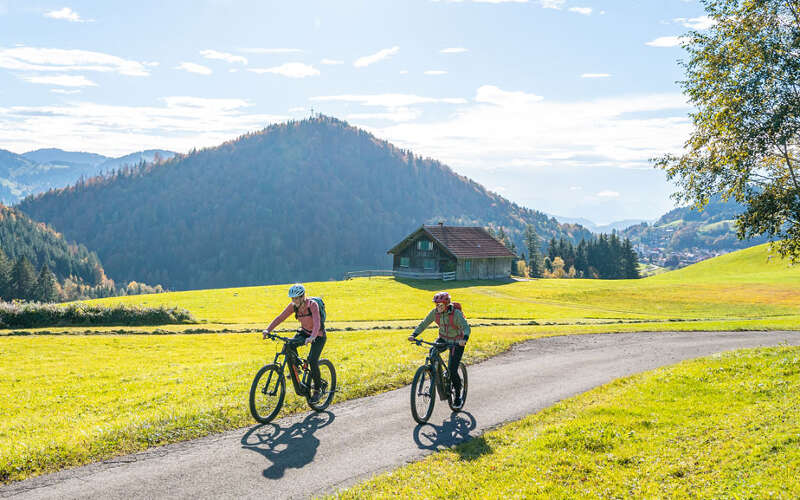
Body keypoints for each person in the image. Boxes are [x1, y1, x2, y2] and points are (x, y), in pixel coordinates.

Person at [263, 283, 327, 402]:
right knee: (288, 344)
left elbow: (317, 323)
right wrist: (268, 329)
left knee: (312, 361)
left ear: (303, 297)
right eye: (292, 298)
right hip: (304, 332)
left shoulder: (312, 305)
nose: (294, 301)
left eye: (296, 298)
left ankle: (317, 390)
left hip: (318, 335)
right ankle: (297, 368)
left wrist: (312, 337)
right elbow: (280, 318)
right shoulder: (293, 306)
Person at [408, 291, 470, 407]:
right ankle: (438, 375)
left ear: (447, 304)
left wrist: (464, 339)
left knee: (452, 369)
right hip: (443, 339)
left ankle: (457, 395)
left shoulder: (456, 314)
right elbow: (424, 323)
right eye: (436, 305)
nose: (438, 307)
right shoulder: (435, 313)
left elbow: (466, 327)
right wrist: (414, 335)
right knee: (432, 352)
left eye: (440, 305)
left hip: (457, 342)